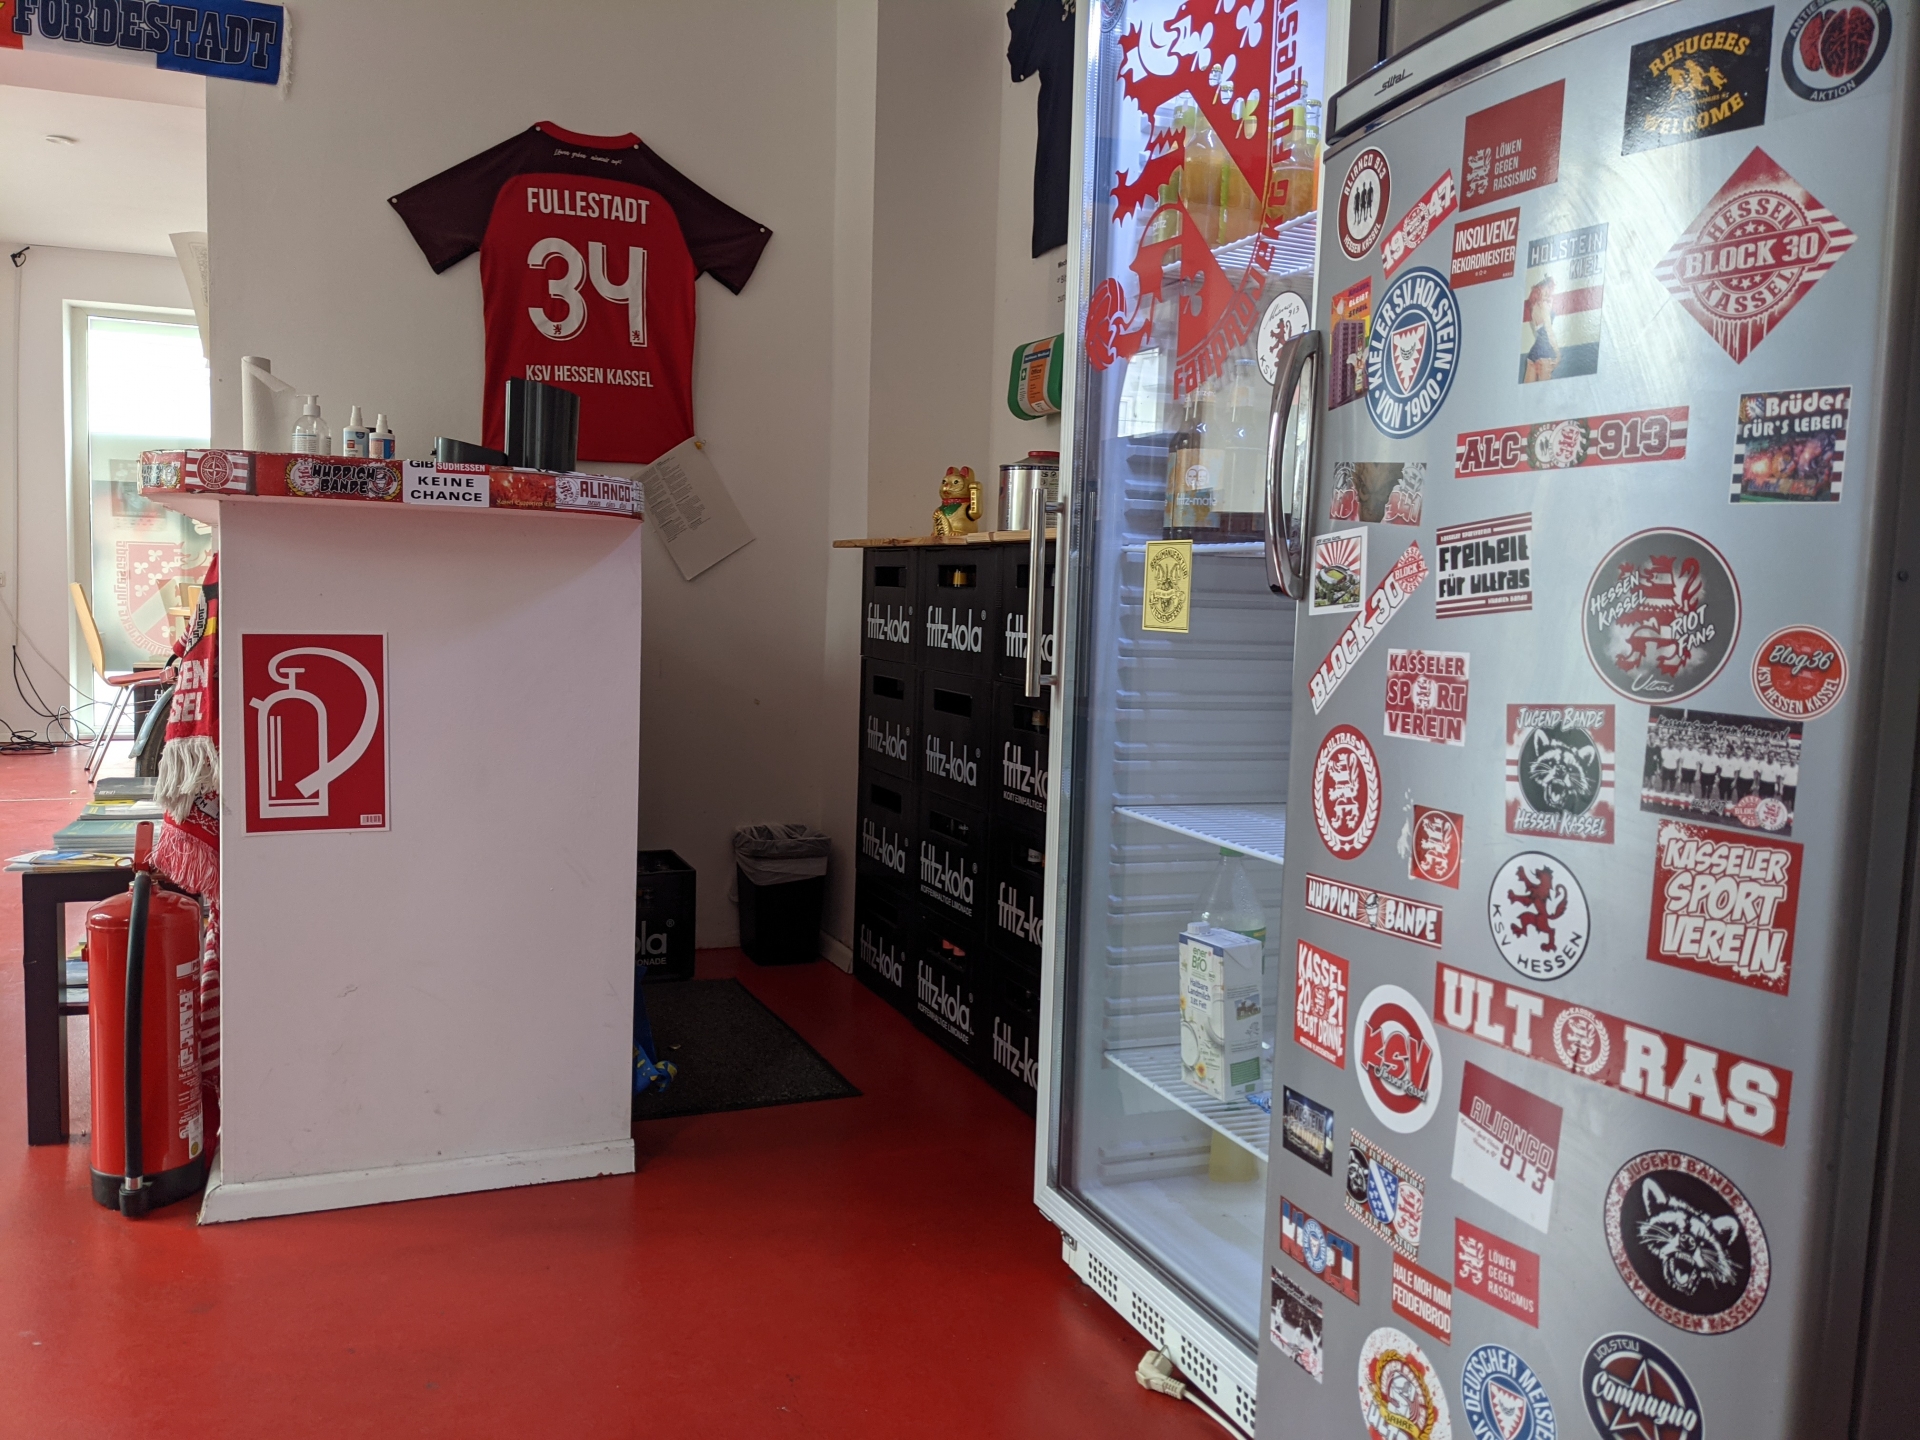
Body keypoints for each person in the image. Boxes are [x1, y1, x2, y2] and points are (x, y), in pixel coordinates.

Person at [1522, 275, 1560, 382]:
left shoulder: (1534, 307)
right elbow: (1549, 331)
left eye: (1550, 289)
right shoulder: (1544, 306)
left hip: (1533, 354)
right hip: (1545, 353)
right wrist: (1558, 353)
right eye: (1547, 288)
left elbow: (1537, 332)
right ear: (1540, 290)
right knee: (1544, 390)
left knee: (1527, 389)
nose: (1549, 292)